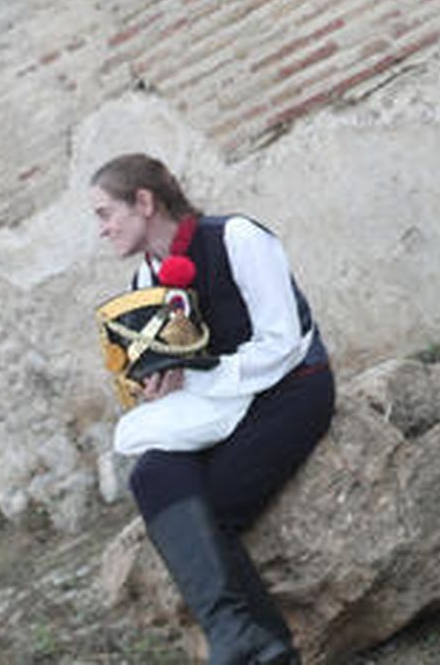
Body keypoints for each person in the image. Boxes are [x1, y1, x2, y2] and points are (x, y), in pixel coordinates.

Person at [90, 153, 334, 665]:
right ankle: (231, 633)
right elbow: (173, 372)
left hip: (290, 392)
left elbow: (283, 342)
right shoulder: (144, 284)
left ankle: (269, 653)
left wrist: (203, 377)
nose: (102, 229)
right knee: (151, 473)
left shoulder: (239, 238)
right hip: (214, 412)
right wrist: (159, 389)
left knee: (214, 510)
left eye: (105, 213)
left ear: (144, 201)